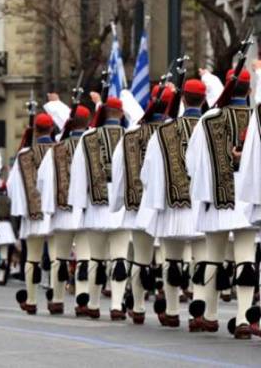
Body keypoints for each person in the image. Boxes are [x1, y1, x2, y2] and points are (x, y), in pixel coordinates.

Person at [187, 68, 257, 339]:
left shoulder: (208, 119)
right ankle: (242, 318)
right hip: (248, 202)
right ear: (248, 91)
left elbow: (192, 162)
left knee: (212, 259)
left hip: (217, 199)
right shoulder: (256, 118)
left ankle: (209, 314)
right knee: (245, 260)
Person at [137, 79, 207, 329]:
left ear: (184, 99)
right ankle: (200, 313)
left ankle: (173, 310)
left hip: (172, 205)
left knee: (172, 261)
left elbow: (147, 173)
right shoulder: (210, 125)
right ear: (203, 98)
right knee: (203, 262)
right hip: (202, 206)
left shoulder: (163, 132)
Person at [109, 85, 174, 324]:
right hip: (170, 206)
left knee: (140, 258)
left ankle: (137, 307)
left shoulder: (131, 134)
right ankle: (171, 307)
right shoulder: (176, 130)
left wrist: (117, 203)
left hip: (138, 206)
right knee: (170, 259)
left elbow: (119, 171)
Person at [68, 97, 125, 319]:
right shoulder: (130, 136)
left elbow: (79, 176)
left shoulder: (87, 138)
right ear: (121, 114)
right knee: (120, 258)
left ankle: (93, 303)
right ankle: (117, 305)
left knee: (96, 259)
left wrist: (79, 208)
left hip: (95, 205)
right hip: (121, 207)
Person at [38, 104, 92, 315]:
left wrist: (49, 206)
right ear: (88, 123)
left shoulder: (56, 149)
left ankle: (57, 299)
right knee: (85, 257)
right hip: (86, 209)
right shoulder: (93, 146)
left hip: (62, 210)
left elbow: (42, 181)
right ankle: (82, 300)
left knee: (59, 257)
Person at [7, 112, 55, 315]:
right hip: (56, 213)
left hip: (32, 212)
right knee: (55, 257)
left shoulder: (23, 155)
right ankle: (56, 298)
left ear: (36, 130)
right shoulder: (59, 150)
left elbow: (11, 186)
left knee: (32, 258)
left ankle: (32, 300)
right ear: (52, 129)